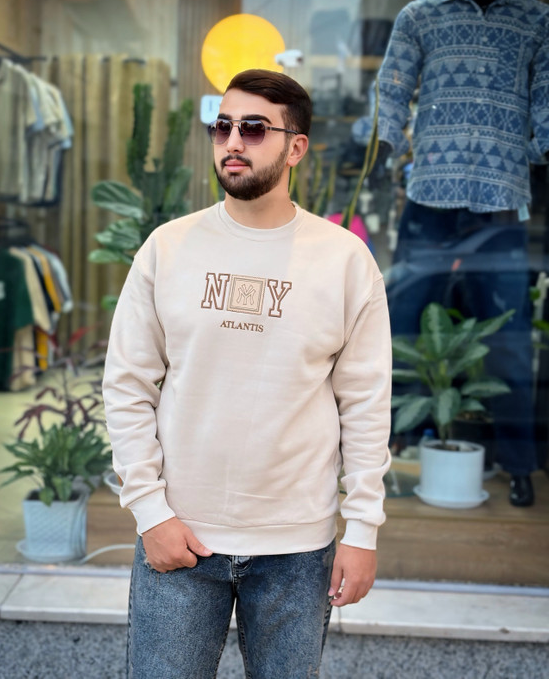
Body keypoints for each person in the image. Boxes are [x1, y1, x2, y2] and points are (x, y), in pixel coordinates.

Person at [103, 69, 392, 678]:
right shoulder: (167, 248)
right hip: (180, 536)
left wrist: (362, 529)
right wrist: (151, 512)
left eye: (255, 128)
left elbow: (365, 402)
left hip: (297, 547)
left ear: (296, 147)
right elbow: (127, 386)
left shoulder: (344, 260)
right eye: (223, 126)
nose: (233, 142)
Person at [374, 0, 549, 507]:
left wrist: (538, 148)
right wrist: (382, 145)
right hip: (430, 196)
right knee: (400, 326)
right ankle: (383, 447)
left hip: (499, 202)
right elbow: (391, 90)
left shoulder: (539, 22)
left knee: (507, 338)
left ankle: (518, 463)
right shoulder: (420, 16)